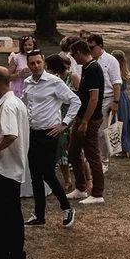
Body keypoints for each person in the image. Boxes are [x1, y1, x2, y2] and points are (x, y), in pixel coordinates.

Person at [22, 50, 79, 228]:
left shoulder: (54, 82)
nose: (36, 66)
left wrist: (64, 123)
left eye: (39, 62)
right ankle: (39, 215)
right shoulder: (27, 82)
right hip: (33, 133)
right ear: (28, 65)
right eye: (32, 63)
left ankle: (67, 208)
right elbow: (26, 104)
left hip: (50, 133)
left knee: (48, 173)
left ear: (44, 62)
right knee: (35, 175)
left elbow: (75, 101)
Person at [0, 67, 29, 259]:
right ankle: (16, 252)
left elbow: (11, 135)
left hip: (4, 167)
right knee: (13, 212)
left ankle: (4, 254)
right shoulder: (16, 103)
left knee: (0, 214)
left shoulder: (9, 105)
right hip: (13, 167)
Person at [67, 41, 106, 205]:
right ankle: (81, 188)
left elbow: (94, 98)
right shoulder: (86, 68)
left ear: (78, 53)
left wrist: (85, 122)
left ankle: (97, 193)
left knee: (92, 155)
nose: (73, 59)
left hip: (90, 118)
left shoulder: (93, 69)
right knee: (73, 152)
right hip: (80, 117)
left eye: (73, 55)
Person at [86, 34, 122, 171]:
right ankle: (92, 158)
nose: (89, 50)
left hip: (106, 98)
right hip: (92, 99)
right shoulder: (89, 61)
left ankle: (104, 161)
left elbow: (117, 83)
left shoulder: (110, 60)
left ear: (100, 46)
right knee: (90, 130)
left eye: (92, 47)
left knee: (102, 132)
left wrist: (116, 102)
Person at [45, 54, 77, 191]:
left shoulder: (73, 77)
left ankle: (87, 180)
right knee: (61, 148)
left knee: (75, 150)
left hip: (72, 117)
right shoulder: (56, 79)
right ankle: (67, 180)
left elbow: (79, 98)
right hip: (59, 117)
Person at [112, 50, 130, 156]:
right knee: (124, 121)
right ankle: (122, 147)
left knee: (119, 122)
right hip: (124, 99)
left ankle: (122, 147)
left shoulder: (117, 72)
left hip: (119, 98)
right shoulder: (123, 71)